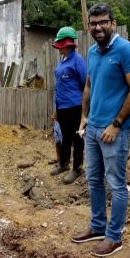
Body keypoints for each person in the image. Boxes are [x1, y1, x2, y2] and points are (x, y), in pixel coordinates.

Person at [72, 4, 130, 257]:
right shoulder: (92, 51)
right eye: (93, 23)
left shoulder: (126, 50)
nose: (98, 27)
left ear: (113, 24)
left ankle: (114, 237)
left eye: (103, 22)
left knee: (116, 183)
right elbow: (89, 85)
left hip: (114, 131)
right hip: (92, 128)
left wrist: (117, 124)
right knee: (93, 179)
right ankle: (98, 226)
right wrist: (84, 116)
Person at [51, 26, 88, 184]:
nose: (59, 48)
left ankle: (77, 168)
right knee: (65, 137)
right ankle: (64, 163)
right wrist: (57, 110)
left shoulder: (77, 60)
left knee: (77, 137)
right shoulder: (63, 60)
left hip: (75, 106)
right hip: (62, 107)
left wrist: (85, 109)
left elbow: (86, 83)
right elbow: (60, 86)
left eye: (61, 45)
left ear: (67, 44)